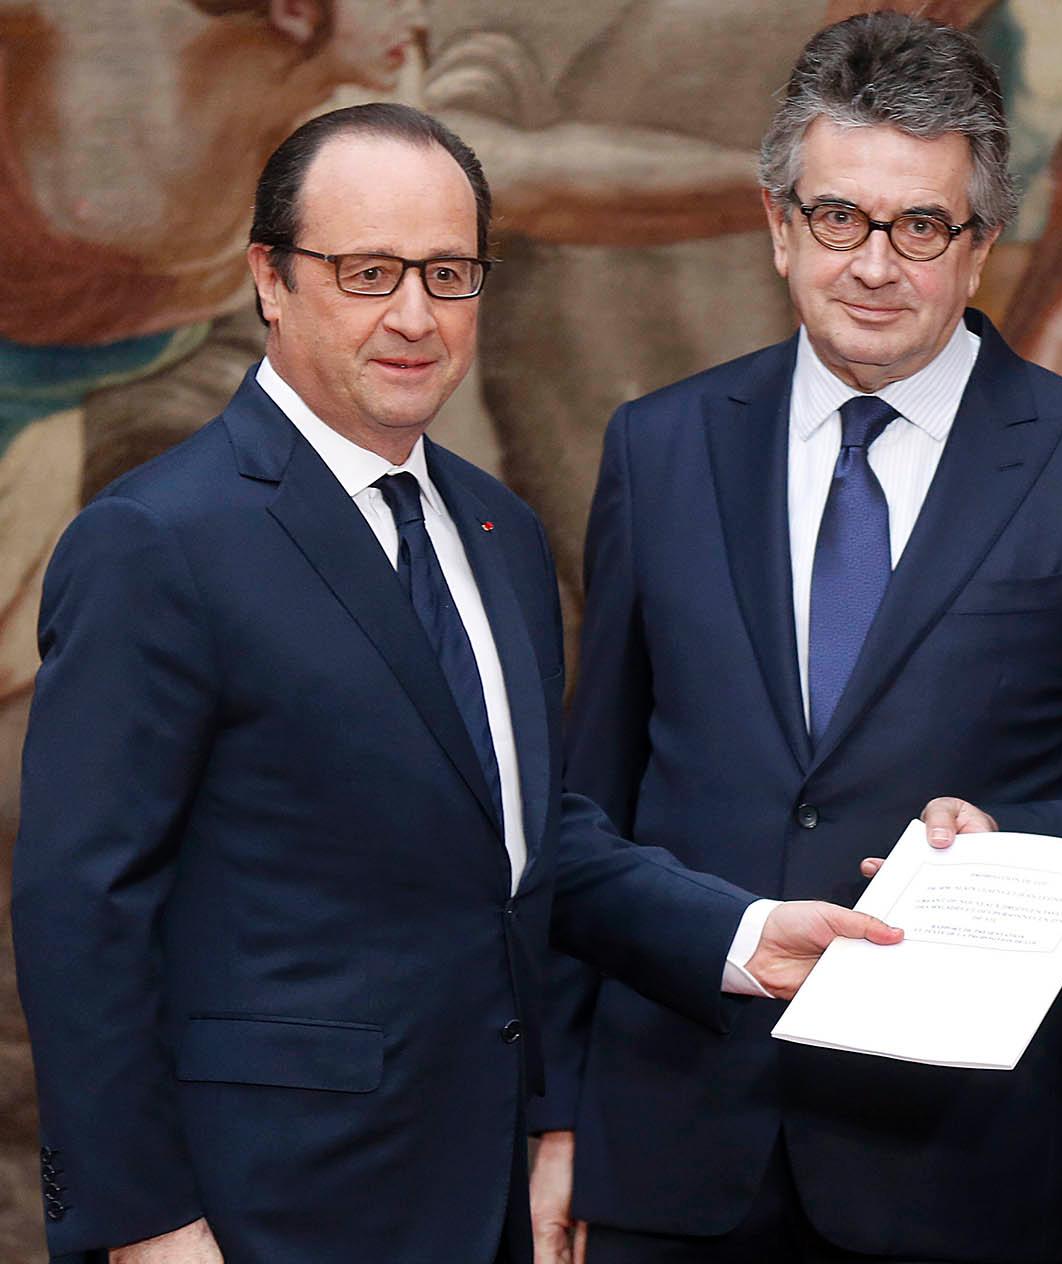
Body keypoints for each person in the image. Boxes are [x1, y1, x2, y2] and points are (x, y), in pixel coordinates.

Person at [9, 102, 898, 1264]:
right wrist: (143, 1224)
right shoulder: (158, 540)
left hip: (476, 1194)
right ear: (270, 278)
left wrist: (741, 934)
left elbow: (517, 837)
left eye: (448, 273)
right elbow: (82, 907)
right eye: (368, 273)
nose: (415, 316)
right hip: (255, 1211)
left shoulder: (499, 531)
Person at [529, 12, 1062, 1264]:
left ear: (981, 245)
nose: (874, 265)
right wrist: (557, 1112)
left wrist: (1008, 847)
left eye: (921, 226)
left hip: (966, 1170)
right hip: (674, 1152)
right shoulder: (658, 448)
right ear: (779, 226)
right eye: (839, 217)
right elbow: (582, 812)